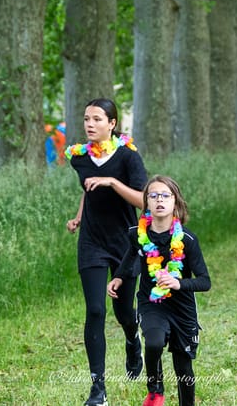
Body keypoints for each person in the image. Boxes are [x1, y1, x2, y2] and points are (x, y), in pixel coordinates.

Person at [65, 98, 148, 406]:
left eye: (97, 119)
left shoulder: (128, 157)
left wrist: (112, 182)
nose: (90, 124)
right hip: (92, 241)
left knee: (124, 312)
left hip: (125, 243)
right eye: (87, 118)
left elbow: (143, 200)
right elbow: (89, 190)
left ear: (112, 124)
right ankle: (98, 389)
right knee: (96, 310)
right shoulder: (79, 158)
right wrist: (78, 216)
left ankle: (132, 339)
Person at [107, 176, 211, 406]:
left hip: (182, 308)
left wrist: (178, 283)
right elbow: (132, 253)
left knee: (183, 368)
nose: (159, 200)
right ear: (146, 203)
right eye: (153, 196)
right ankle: (155, 389)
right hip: (151, 303)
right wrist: (119, 277)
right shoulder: (137, 234)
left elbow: (205, 282)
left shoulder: (187, 239)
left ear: (176, 202)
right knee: (153, 343)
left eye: (165, 195)